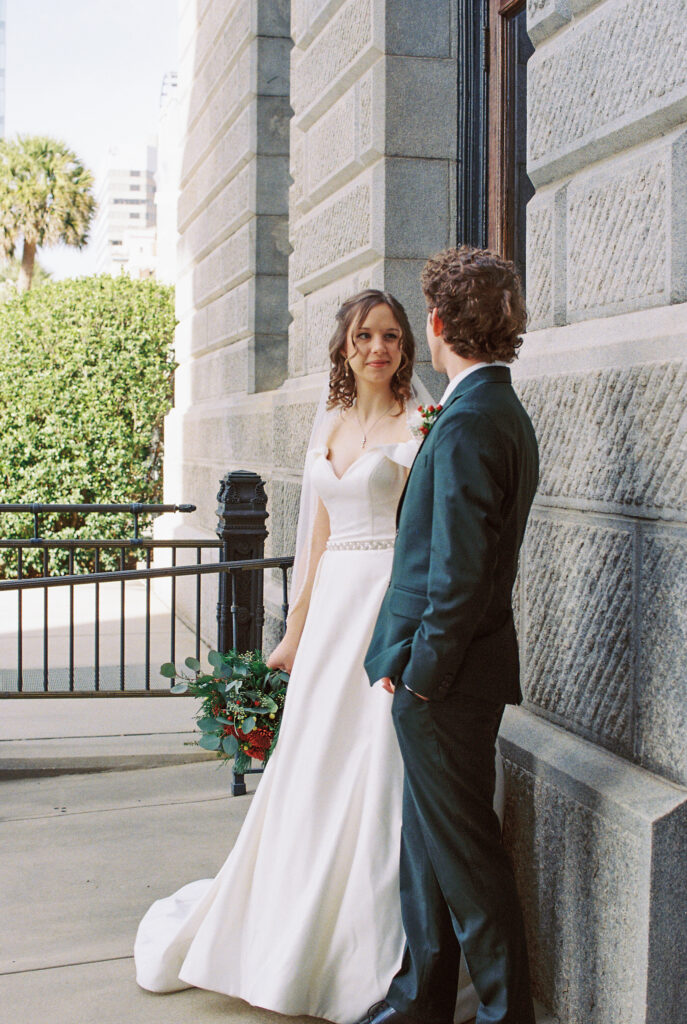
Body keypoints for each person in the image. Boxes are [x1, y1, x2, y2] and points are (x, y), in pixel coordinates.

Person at [134, 289, 482, 1023]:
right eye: (364, 337)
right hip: (329, 621)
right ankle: (283, 929)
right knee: (314, 762)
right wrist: (292, 635)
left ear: (405, 348)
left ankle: (375, 955)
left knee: (377, 766)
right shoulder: (327, 423)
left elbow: (434, 537)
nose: (377, 349)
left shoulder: (424, 424)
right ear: (344, 348)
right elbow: (316, 541)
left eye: (389, 336)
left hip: (390, 604)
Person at [361, 247, 539, 1024]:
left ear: (435, 325)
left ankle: (505, 1015)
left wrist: (423, 674)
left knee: (466, 859)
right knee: (427, 848)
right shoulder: (489, 408)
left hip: (447, 682)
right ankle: (417, 1001)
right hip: (446, 676)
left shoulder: (471, 421)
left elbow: (459, 575)